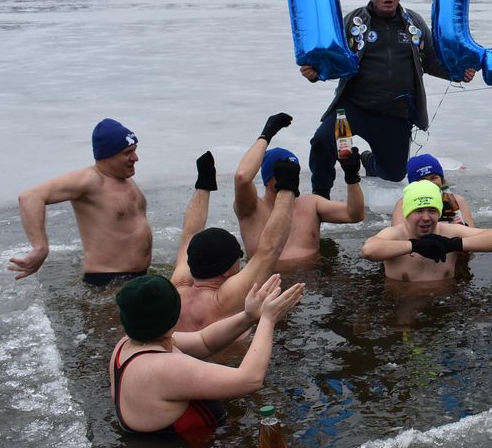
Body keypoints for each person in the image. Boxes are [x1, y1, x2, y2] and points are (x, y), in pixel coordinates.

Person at [300, 0, 476, 192]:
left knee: (394, 174)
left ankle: (368, 161)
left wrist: (457, 72)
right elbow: (332, 60)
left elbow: (431, 59)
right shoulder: (353, 22)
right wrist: (314, 73)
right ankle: (320, 196)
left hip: (396, 113)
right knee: (322, 142)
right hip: (354, 107)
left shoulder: (414, 23)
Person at [109, 272, 304, 436]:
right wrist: (268, 320)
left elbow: (204, 341)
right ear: (174, 315)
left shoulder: (127, 344)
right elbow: (250, 379)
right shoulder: (164, 367)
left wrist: (249, 316)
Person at [10, 118, 151, 286]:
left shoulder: (124, 178)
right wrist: (40, 248)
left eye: (134, 150)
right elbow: (30, 197)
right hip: (107, 282)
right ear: (107, 155)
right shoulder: (89, 180)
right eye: (127, 153)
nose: (135, 158)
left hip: (138, 278)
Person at [170, 152, 298, 332]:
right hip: (223, 358)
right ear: (227, 270)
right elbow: (270, 250)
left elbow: (189, 235)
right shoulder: (225, 299)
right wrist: (288, 189)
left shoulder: (178, 288)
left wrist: (203, 185)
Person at [234, 112, 364, 261]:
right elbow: (242, 177)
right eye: (285, 171)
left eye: (294, 170)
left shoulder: (311, 204)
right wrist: (266, 135)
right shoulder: (252, 208)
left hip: (311, 280)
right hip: (266, 281)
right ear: (268, 178)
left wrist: (352, 178)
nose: (291, 176)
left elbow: (355, 215)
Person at [362, 180, 492, 283]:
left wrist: (452, 245)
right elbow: (369, 250)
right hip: (404, 306)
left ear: (439, 213)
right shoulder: (395, 235)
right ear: (407, 213)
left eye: (432, 211)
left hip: (444, 305)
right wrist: (415, 246)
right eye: (418, 211)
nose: (426, 218)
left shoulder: (449, 232)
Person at [390, 154, 474, 227]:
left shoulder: (456, 201)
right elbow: (397, 239)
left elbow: (473, 236)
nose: (429, 183)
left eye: (433, 178)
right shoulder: (403, 204)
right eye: (422, 180)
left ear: (442, 180)